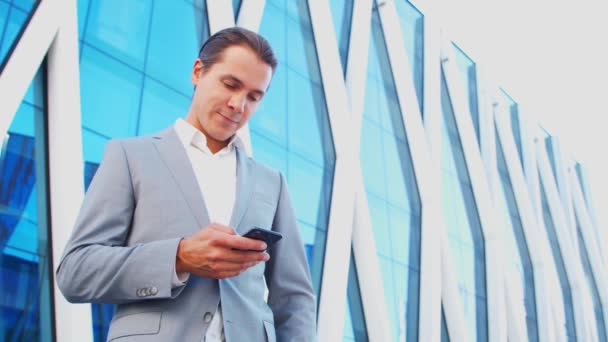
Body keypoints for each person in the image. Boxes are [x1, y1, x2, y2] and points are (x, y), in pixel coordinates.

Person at [56, 27, 317, 342]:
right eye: (230, 84)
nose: (239, 104)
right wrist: (179, 257)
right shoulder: (130, 156)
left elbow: (294, 299)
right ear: (198, 72)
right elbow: (76, 272)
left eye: (254, 96)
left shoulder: (271, 183)